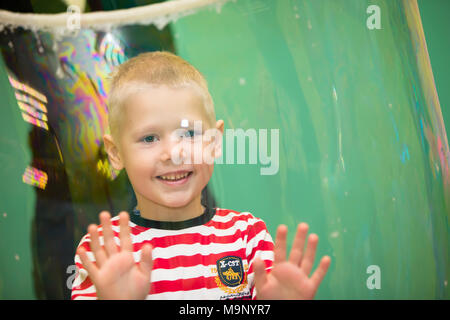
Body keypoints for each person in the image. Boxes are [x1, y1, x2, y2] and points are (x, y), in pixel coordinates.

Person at [71, 51, 331, 300]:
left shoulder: (248, 237)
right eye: (149, 138)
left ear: (214, 142)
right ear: (116, 153)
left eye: (188, 134)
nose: (173, 153)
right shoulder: (103, 252)